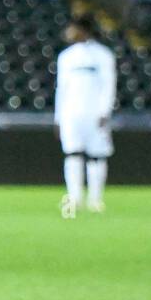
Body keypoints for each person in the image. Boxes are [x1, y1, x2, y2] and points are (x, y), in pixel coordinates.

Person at [54, 15, 117, 214]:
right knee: (72, 154)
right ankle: (74, 198)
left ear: (83, 30)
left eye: (73, 28)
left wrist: (104, 111)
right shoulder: (66, 57)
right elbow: (61, 89)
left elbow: (109, 85)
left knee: (96, 156)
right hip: (71, 113)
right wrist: (58, 118)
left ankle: (95, 199)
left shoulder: (103, 55)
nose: (69, 32)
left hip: (94, 114)